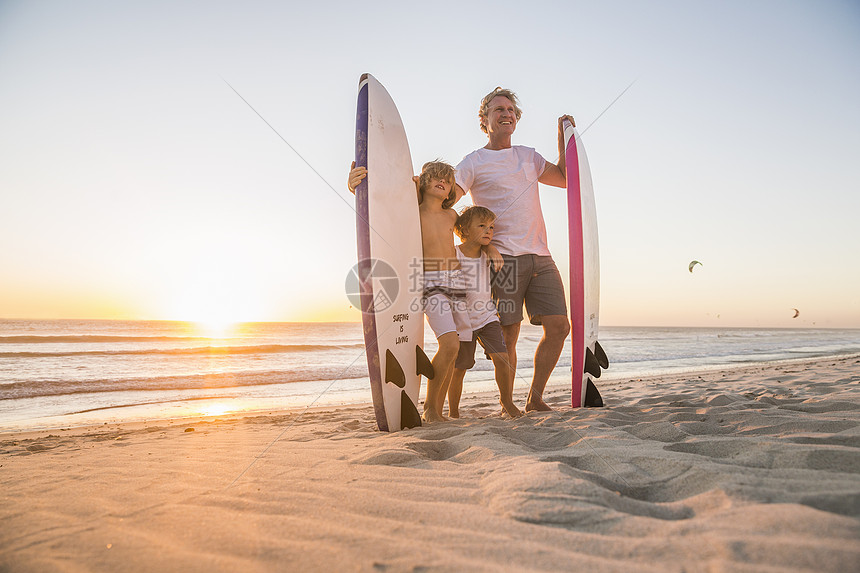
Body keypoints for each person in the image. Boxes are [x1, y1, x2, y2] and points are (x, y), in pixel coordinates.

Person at [451, 87, 575, 412]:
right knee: (508, 336)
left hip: (541, 255)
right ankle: (508, 403)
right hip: (501, 260)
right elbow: (449, 198)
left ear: (516, 119)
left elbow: (564, 178)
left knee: (560, 326)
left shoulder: (528, 156)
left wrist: (565, 138)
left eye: (510, 110)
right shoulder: (473, 162)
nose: (506, 113)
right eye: (498, 109)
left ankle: (535, 398)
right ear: (485, 120)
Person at [349, 160, 472, 423]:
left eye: (448, 180)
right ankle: (429, 408)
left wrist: (492, 249)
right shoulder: (412, 212)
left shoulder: (452, 216)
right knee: (448, 343)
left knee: (456, 348)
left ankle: (437, 410)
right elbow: (382, 209)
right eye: (436, 177)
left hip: (457, 282)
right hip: (430, 281)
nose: (443, 181)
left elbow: (474, 233)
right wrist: (357, 187)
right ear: (423, 182)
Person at [442, 206, 522, 419]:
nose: (489, 231)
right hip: (462, 320)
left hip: (487, 317)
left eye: (491, 227)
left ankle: (507, 402)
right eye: (482, 226)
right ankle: (453, 411)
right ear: (465, 230)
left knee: (502, 357)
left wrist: (491, 248)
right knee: (460, 367)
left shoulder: (488, 254)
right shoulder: (454, 252)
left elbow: (489, 251)